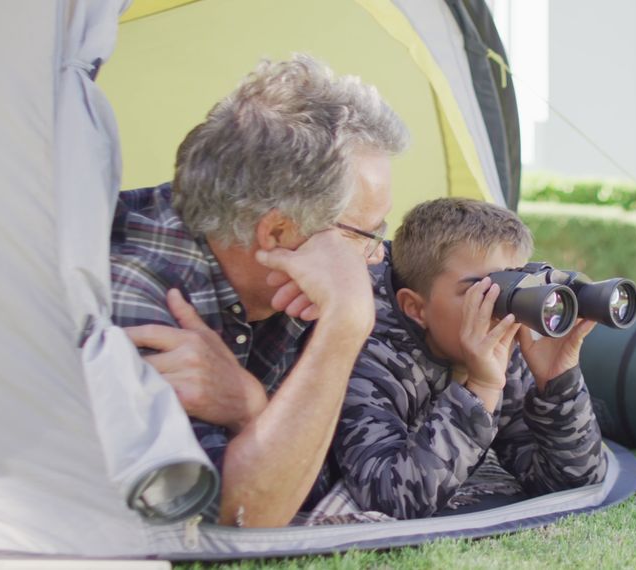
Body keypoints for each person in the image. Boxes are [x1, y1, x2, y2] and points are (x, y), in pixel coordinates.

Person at [109, 55, 408, 527]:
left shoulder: (294, 275)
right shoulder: (138, 289)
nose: (375, 258)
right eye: (363, 234)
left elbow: (321, 478)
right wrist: (345, 327)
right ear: (275, 233)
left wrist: (251, 409)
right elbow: (240, 517)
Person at [330, 198, 608, 520]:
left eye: (511, 288)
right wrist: (481, 388)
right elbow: (389, 499)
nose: (499, 308)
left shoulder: (504, 348)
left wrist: (558, 384)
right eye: (479, 291)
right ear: (416, 308)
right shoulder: (368, 353)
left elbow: (573, 483)